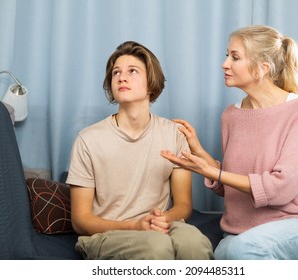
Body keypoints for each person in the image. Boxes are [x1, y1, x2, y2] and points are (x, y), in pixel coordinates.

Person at [161, 25, 298, 260]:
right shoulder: (231, 115)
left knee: (242, 250)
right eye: (226, 55)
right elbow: (228, 186)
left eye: (235, 57)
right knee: (222, 253)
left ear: (262, 69)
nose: (225, 64)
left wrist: (212, 171)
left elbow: (280, 189)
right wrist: (199, 152)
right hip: (242, 230)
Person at [66, 41, 214, 260]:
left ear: (151, 84)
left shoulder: (174, 133)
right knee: (156, 247)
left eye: (132, 71)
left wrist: (164, 219)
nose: (121, 77)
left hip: (160, 227)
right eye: (116, 72)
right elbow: (80, 220)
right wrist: (135, 226)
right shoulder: (88, 140)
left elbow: (183, 205)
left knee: (194, 242)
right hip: (107, 234)